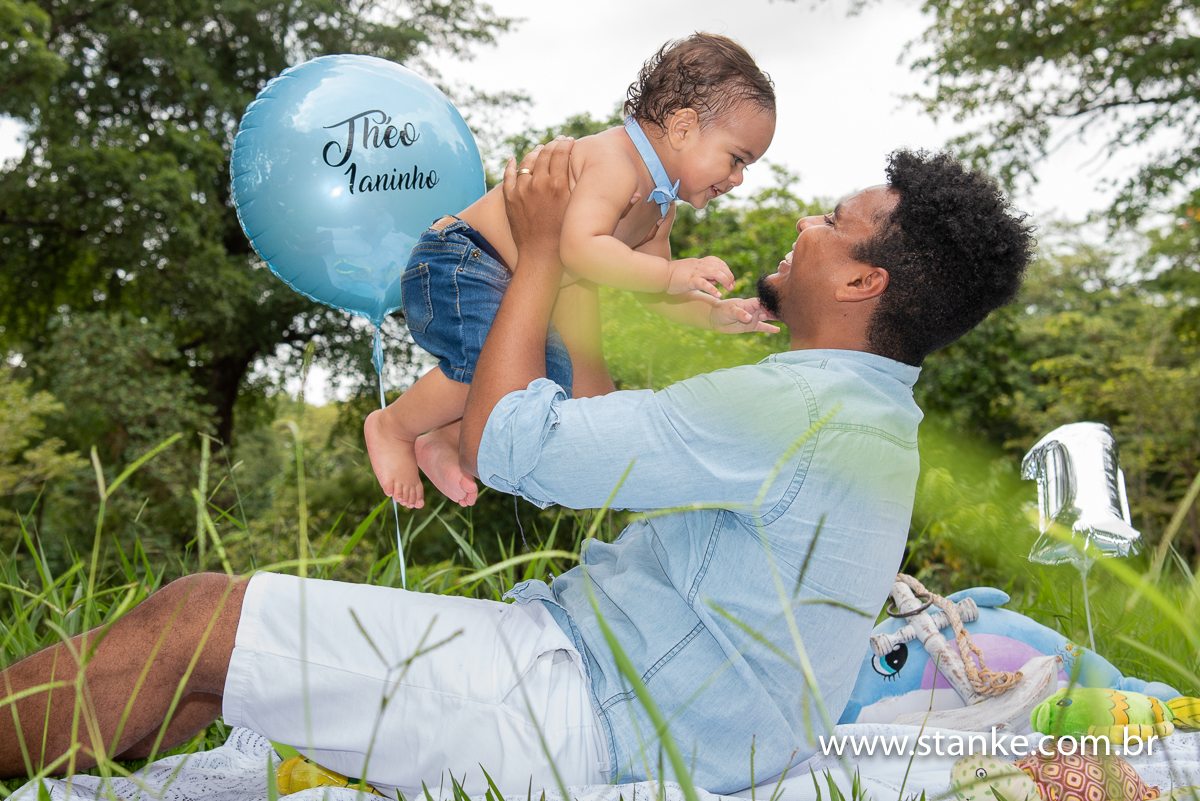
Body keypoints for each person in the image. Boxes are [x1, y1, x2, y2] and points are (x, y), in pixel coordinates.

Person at [0, 141, 1034, 797]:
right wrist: (583, 268)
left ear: (861, 277)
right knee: (190, 689)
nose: (807, 222)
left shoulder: (797, 404)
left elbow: (512, 448)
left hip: (590, 717)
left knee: (195, 621)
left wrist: (537, 251)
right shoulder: (857, 413)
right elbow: (587, 427)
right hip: (619, 694)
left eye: (834, 222)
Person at [364, 32, 779, 512]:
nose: (738, 179)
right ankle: (394, 425)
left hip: (507, 281)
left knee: (547, 382)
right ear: (683, 127)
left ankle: (448, 437)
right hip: (462, 261)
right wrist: (670, 276)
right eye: (737, 159)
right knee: (484, 361)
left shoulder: (661, 206)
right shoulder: (615, 162)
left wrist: (711, 313)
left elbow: (653, 287)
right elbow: (581, 251)